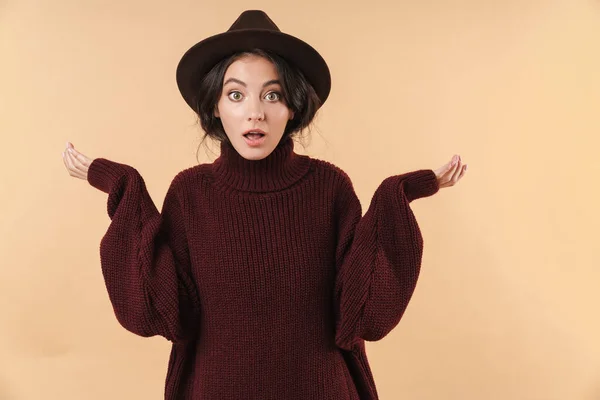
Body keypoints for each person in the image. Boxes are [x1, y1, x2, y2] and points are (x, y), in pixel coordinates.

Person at [61, 9, 467, 400]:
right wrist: (124, 187)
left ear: (293, 107)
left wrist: (395, 198)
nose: (254, 112)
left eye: (272, 95)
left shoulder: (330, 188)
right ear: (215, 108)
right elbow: (164, 312)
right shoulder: (189, 195)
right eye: (235, 94)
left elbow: (360, 315)